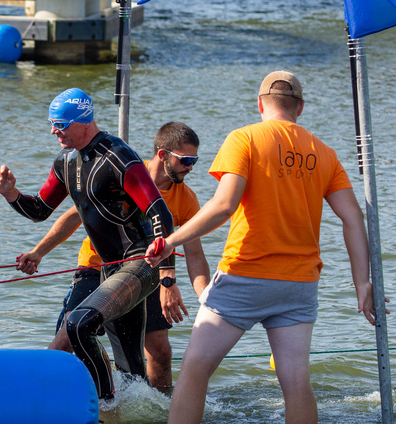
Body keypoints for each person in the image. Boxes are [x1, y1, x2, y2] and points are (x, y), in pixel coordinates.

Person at [145, 70, 385, 423]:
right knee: (296, 383)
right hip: (301, 284)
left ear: (259, 104)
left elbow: (223, 206)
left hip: (246, 274)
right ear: (300, 108)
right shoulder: (325, 153)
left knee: (195, 369)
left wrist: (170, 241)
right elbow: (353, 219)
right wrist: (362, 282)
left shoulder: (245, 139)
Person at [0, 88, 174, 400]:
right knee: (132, 374)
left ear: (83, 122)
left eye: (60, 124)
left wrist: (167, 274)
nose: (53, 131)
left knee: (77, 324)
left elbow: (160, 213)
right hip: (111, 270)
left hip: (140, 264)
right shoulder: (65, 162)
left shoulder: (117, 156)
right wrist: (11, 194)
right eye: (51, 123)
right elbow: (40, 211)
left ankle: (105, 406)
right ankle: (150, 412)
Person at [19, 122, 209, 391]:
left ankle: (159, 407)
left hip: (142, 270)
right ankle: (40, 390)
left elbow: (195, 254)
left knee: (160, 351)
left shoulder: (187, 199)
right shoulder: (125, 169)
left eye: (195, 161)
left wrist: (206, 299)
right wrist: (38, 252)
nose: (191, 167)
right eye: (186, 160)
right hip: (97, 265)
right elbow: (74, 216)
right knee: (69, 336)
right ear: (163, 154)